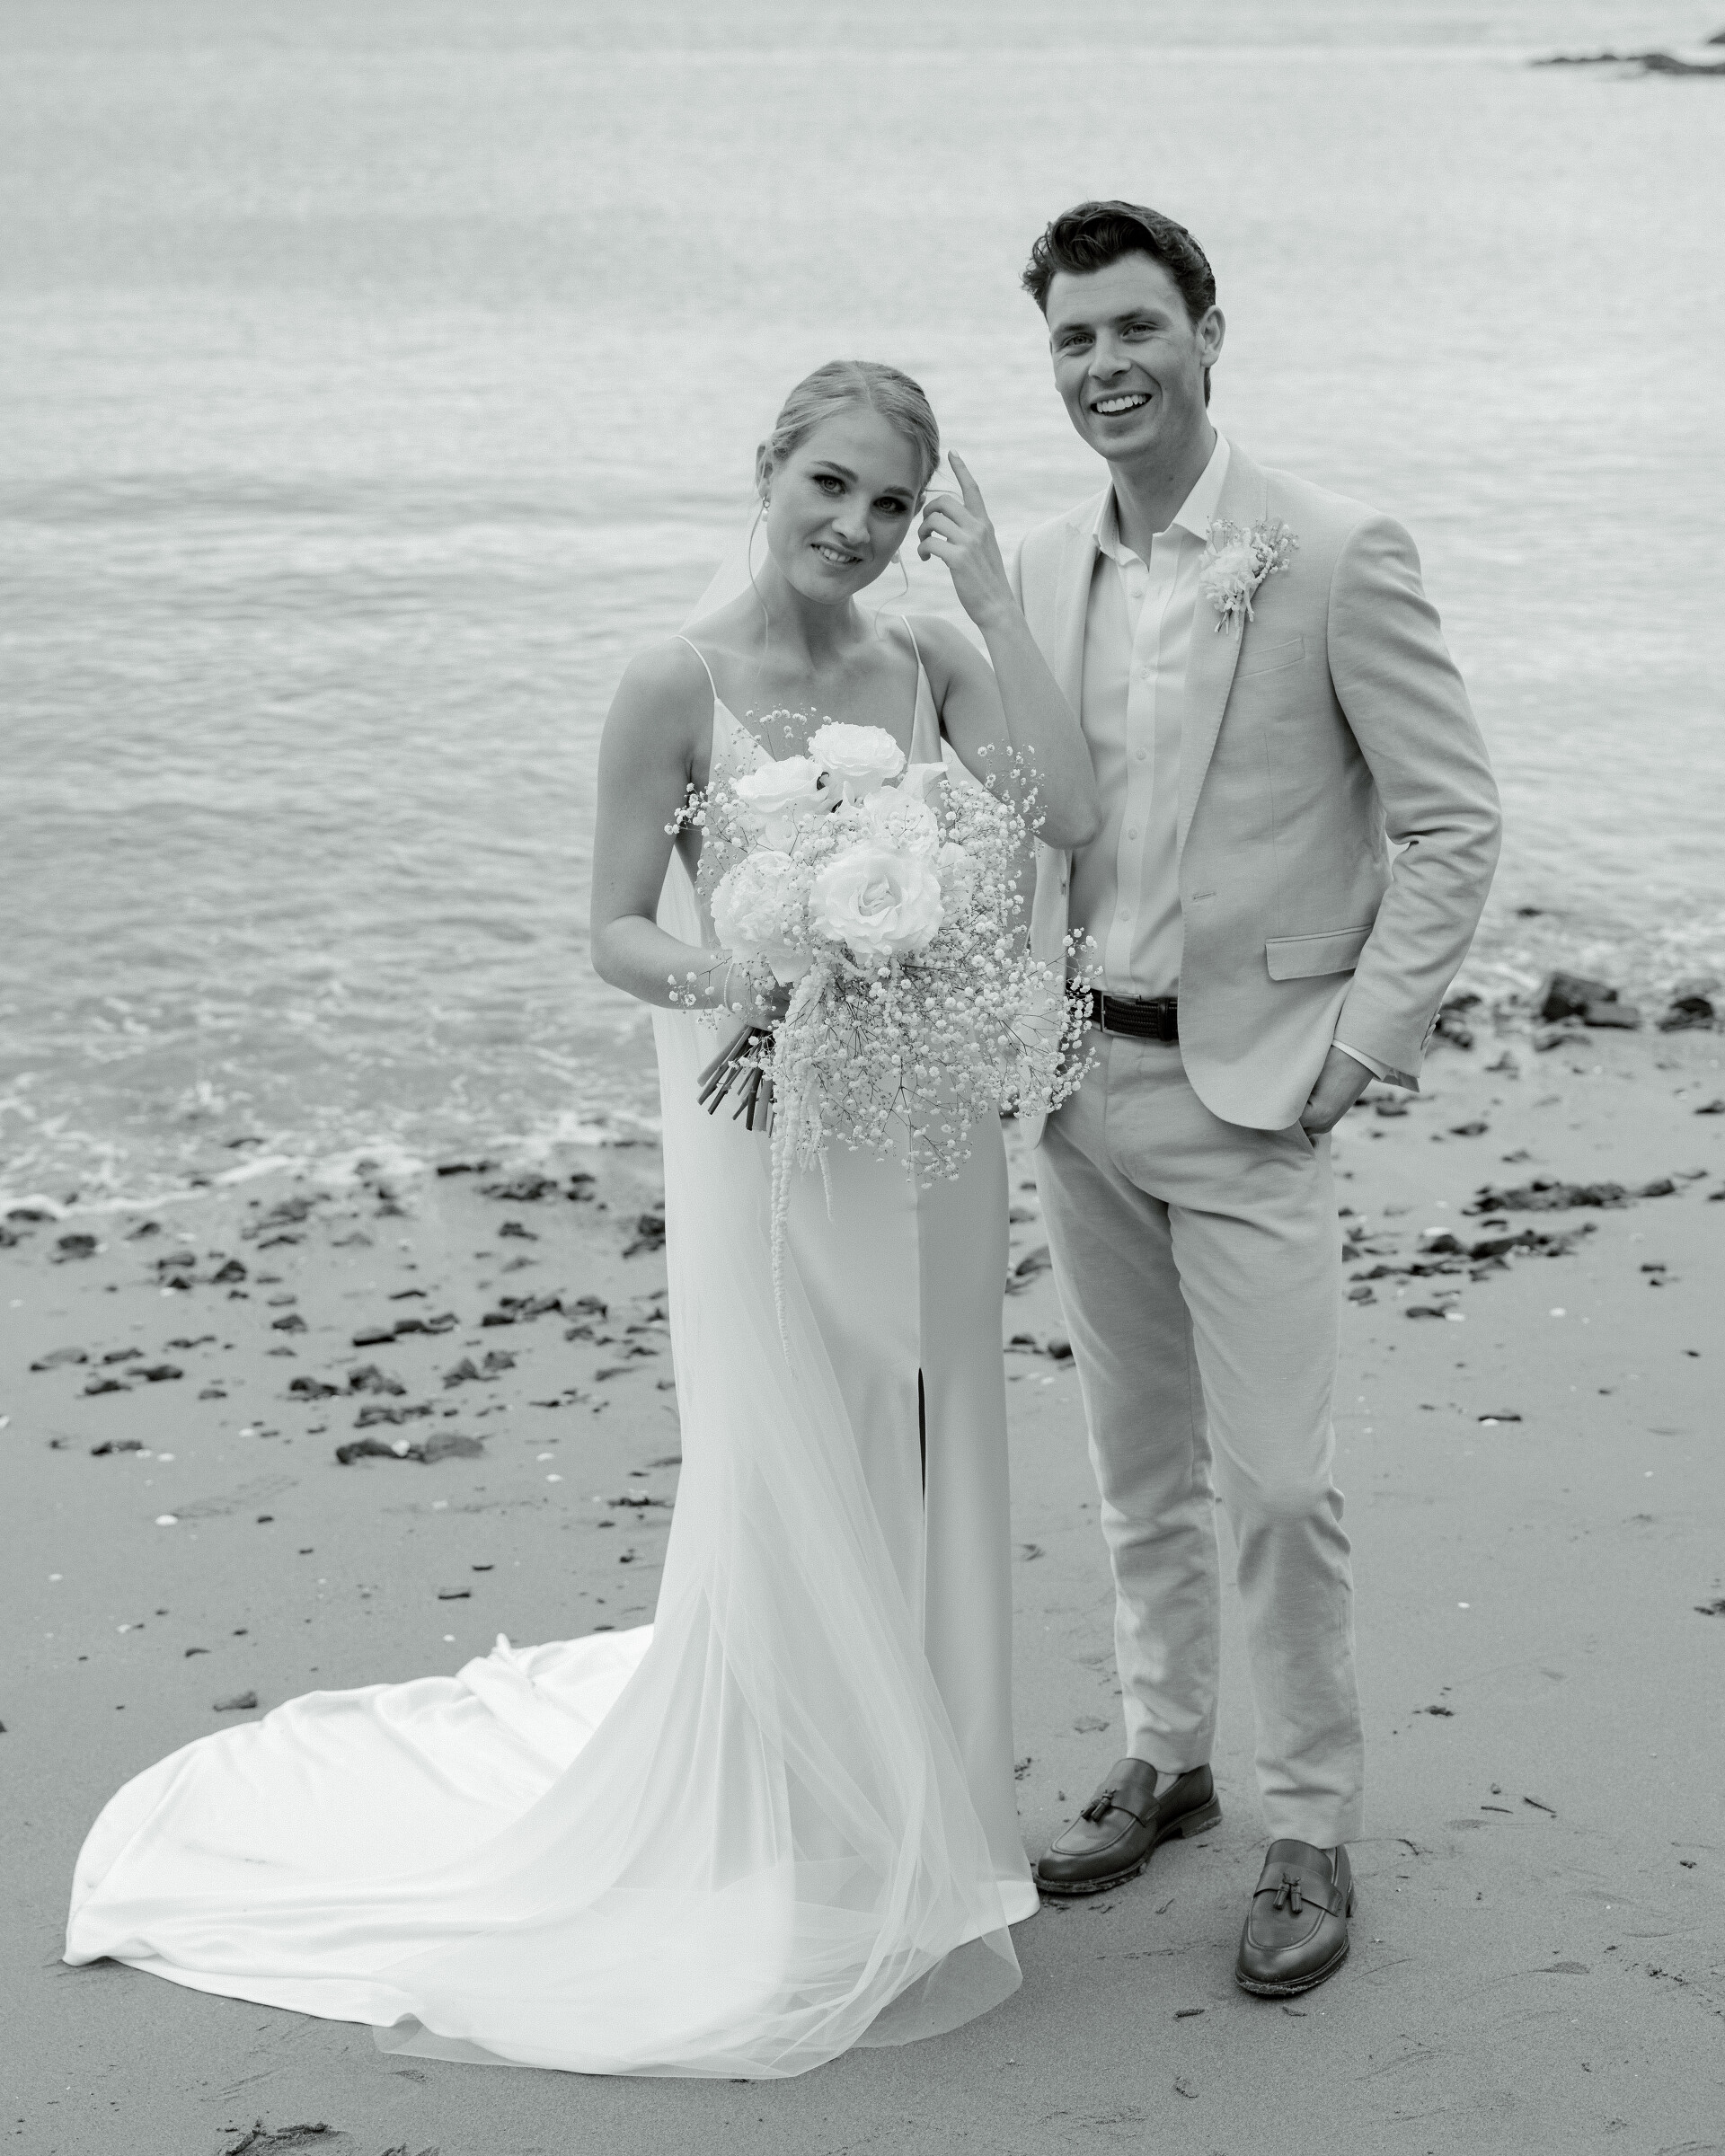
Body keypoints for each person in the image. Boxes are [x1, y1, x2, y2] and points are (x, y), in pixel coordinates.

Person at [64, 360, 1101, 2079]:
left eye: (891, 504)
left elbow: (1063, 815)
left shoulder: (931, 659)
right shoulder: (672, 680)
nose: (855, 526)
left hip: (925, 1131)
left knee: (940, 1456)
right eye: (829, 484)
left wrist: (992, 596)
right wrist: (757, 976)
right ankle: (797, 1837)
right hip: (764, 1127)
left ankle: (940, 1828)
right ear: (766, 469)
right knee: (795, 1459)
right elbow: (616, 927)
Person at [1012, 202, 1500, 1996]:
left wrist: (1359, 1050)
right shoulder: (1045, 565)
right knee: (1137, 1469)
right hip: (1078, 1083)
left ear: (1210, 334)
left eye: (1136, 327)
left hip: (1253, 1097)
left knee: (1279, 1487)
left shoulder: (1337, 552)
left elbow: (1451, 822)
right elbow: (1026, 823)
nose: (1106, 367)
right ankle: (1168, 1759)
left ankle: (1310, 1823)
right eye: (1074, 340)